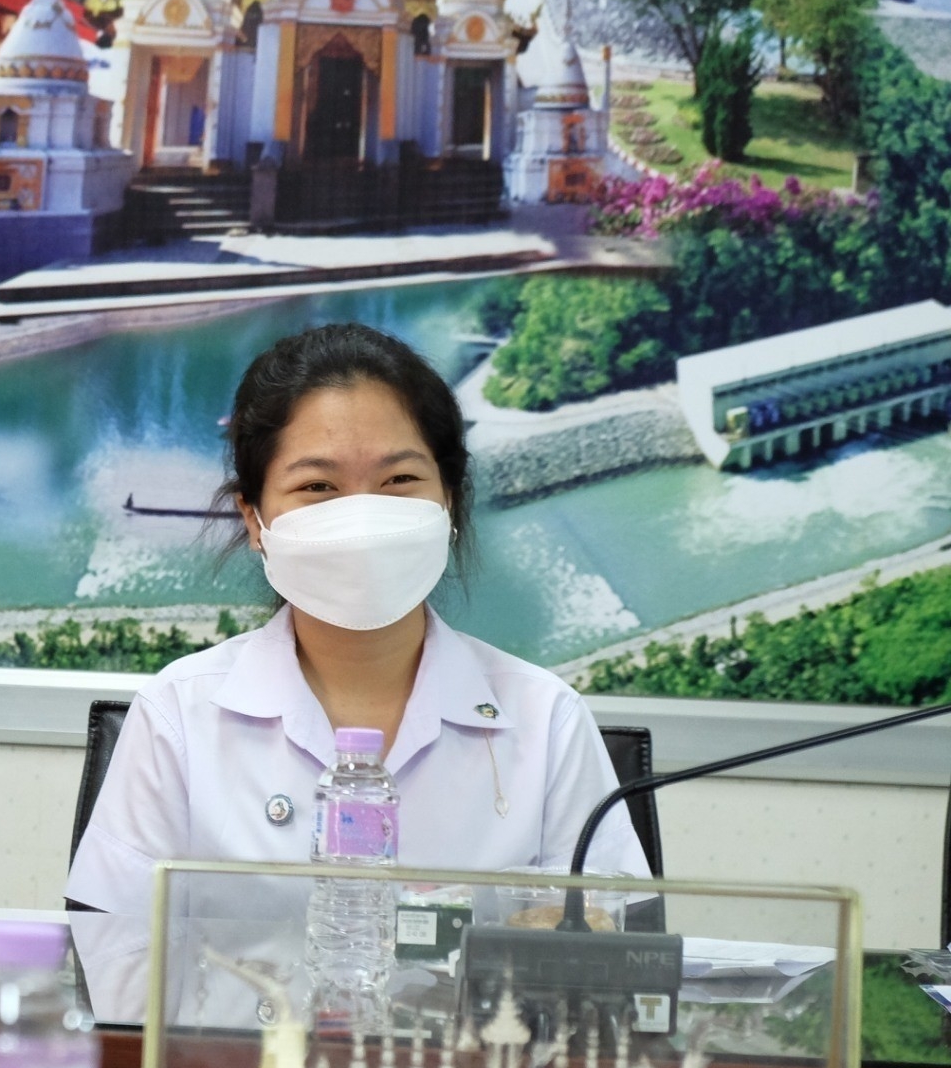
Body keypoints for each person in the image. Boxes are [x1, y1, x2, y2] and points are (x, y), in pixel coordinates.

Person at [65, 323, 649, 916]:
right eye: (319, 486)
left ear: (448, 497)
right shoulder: (179, 717)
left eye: (399, 480)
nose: (363, 518)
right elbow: (116, 965)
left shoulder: (546, 720)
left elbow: (618, 957)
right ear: (253, 519)